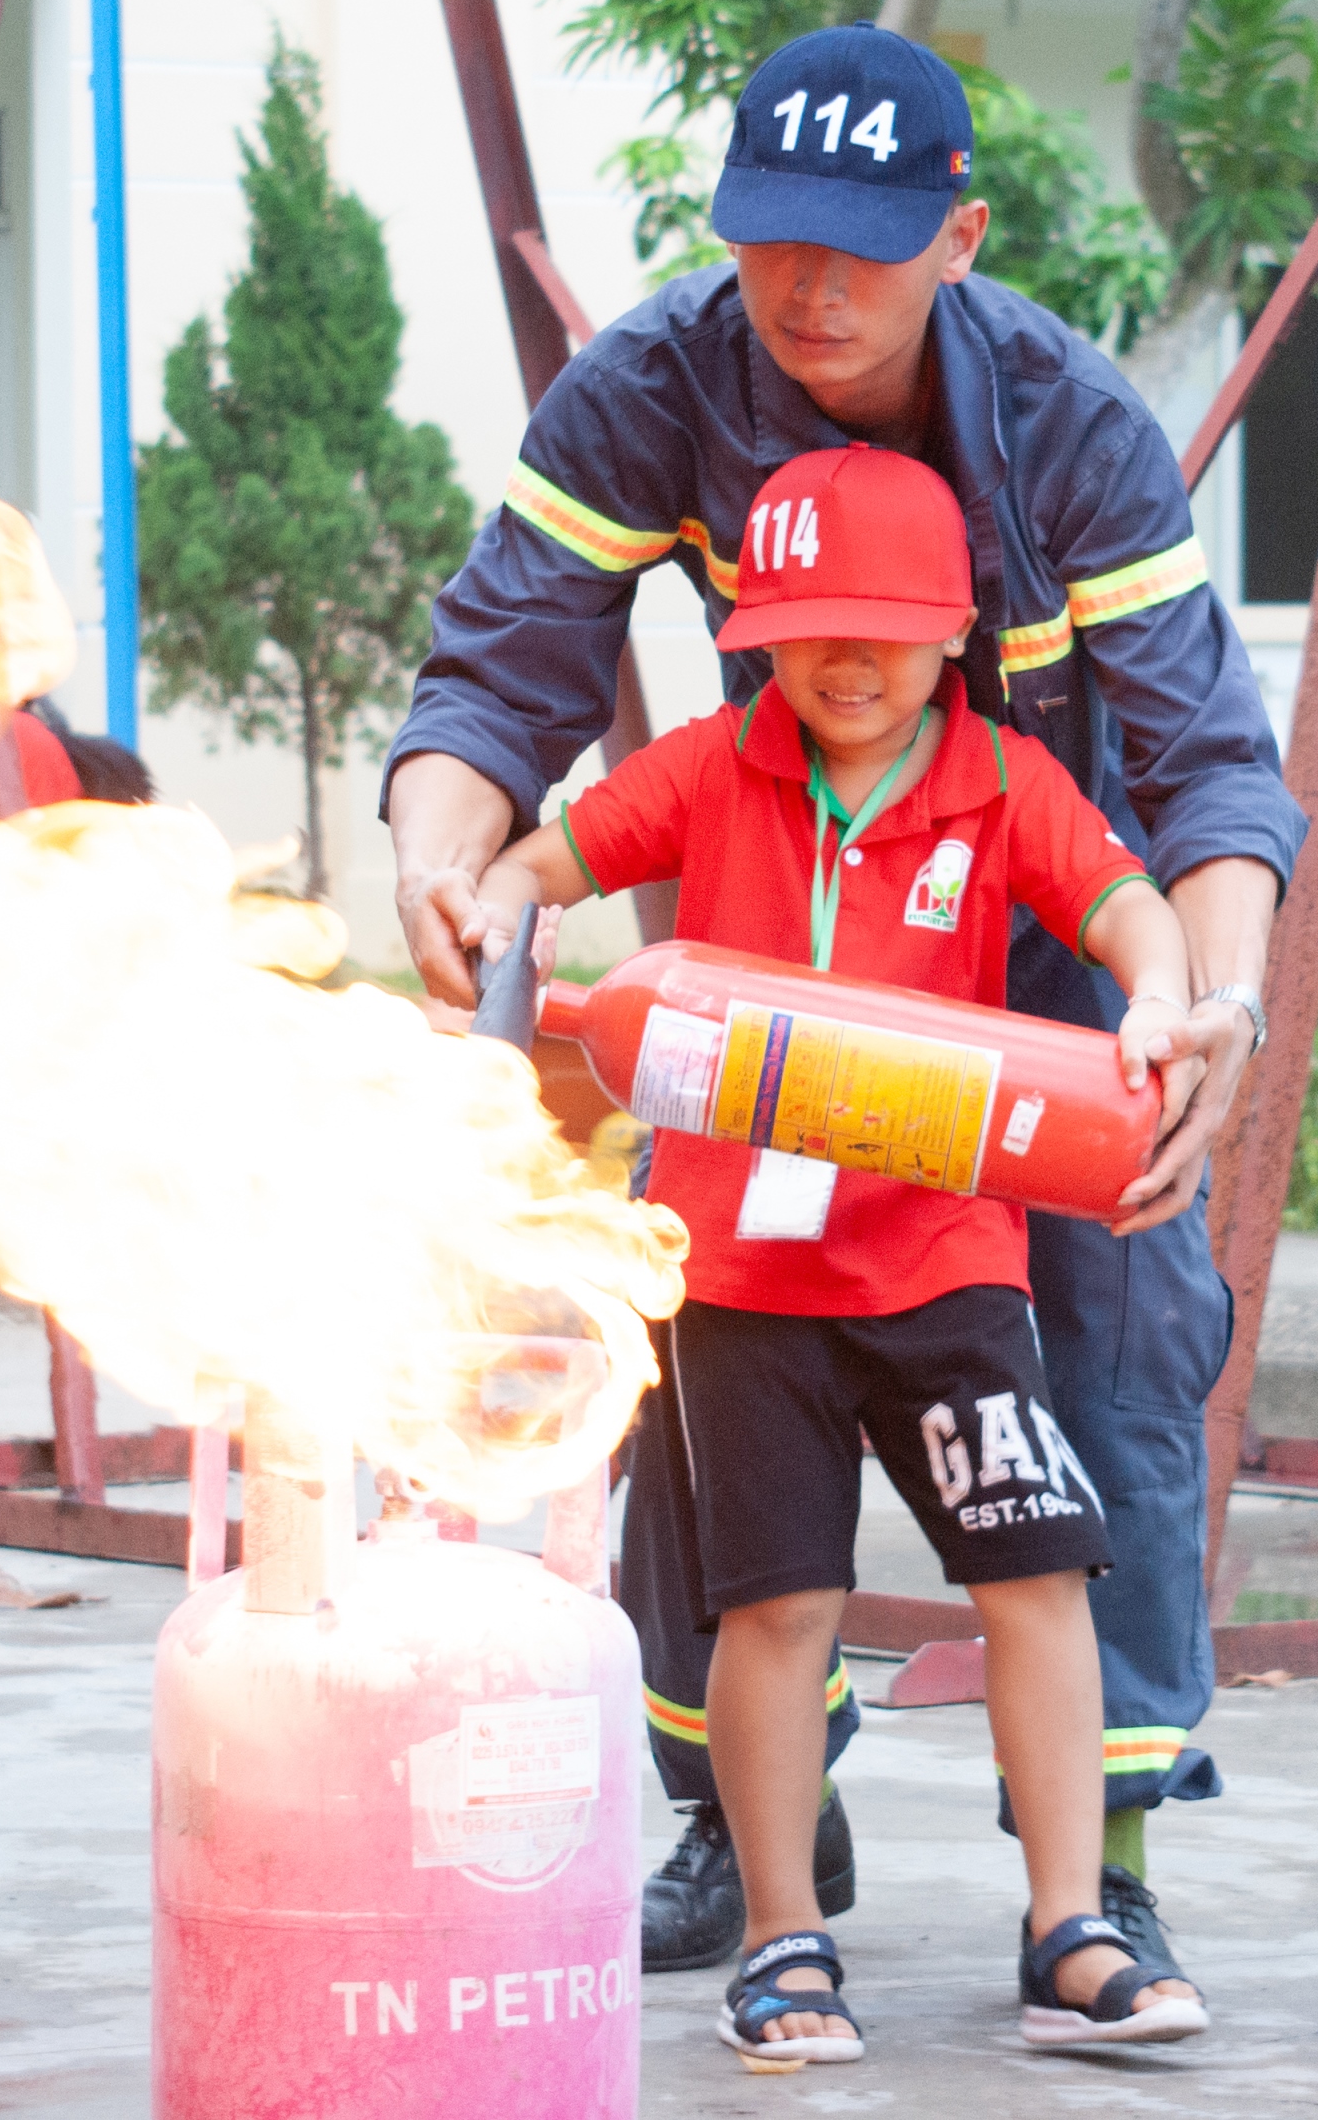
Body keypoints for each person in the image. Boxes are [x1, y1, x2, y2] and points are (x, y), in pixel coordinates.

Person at [386, 22, 1304, 1979]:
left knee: (1115, 1358)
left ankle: (1104, 1859)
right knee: (709, 1367)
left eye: (860, 250)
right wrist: (445, 853)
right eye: (768, 240)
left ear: (958, 235)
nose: (804, 288)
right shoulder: (654, 382)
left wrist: (1206, 1003)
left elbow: (1207, 764)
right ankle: (740, 1824)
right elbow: (497, 670)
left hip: (1055, 953)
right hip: (780, 955)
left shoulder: (1064, 426)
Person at [461, 443, 1210, 2057]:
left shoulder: (1002, 781)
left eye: (885, 626)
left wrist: (1158, 995)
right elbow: (546, 861)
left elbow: (1130, 904)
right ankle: (784, 1935)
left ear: (955, 631)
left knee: (1034, 1571)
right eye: (810, 629)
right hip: (742, 1282)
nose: (848, 661)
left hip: (948, 1265)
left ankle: (1070, 1922)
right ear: (757, 631)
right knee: (778, 1608)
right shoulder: (702, 771)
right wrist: (488, 905)